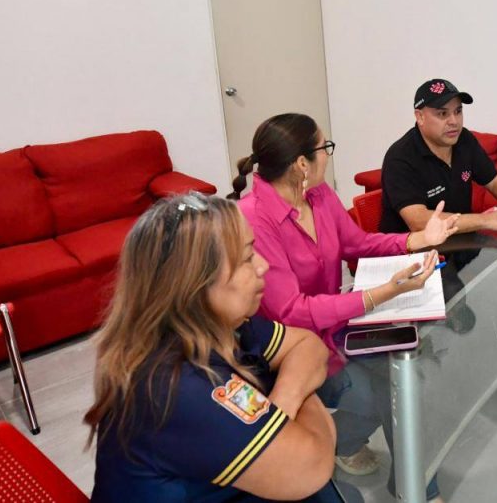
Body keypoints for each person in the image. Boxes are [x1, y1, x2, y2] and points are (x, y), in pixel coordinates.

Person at [230, 113, 451, 501]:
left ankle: (408, 481)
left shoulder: (318, 196)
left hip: (335, 327)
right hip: (289, 346)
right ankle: (404, 481)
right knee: (377, 395)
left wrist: (415, 240)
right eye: (325, 148)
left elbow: (358, 244)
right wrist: (382, 293)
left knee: (404, 376)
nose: (328, 156)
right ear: (302, 164)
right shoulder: (254, 217)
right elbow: (291, 312)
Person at [85, 192, 346, 502]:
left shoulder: (222, 324)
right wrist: (300, 394)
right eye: (247, 258)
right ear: (195, 283)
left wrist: (283, 402)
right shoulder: (172, 387)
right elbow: (311, 468)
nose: (263, 265)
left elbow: (309, 346)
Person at [379, 78, 497, 234]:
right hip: (416, 247)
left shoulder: (464, 139)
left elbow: (494, 181)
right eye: (443, 113)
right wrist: (487, 220)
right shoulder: (400, 158)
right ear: (420, 117)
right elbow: (418, 221)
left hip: (461, 240)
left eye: (458, 111)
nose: (454, 121)